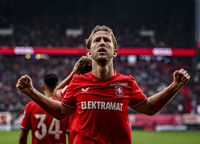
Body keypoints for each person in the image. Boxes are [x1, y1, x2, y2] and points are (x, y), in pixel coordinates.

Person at [16, 25, 190, 144]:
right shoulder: (77, 82)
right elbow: (61, 112)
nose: (101, 43)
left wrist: (175, 86)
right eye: (97, 40)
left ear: (115, 51)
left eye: (106, 40)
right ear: (88, 52)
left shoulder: (127, 83)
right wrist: (31, 92)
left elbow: (150, 107)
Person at [19, 74, 69, 144]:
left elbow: (22, 137)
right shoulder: (65, 107)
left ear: (43, 87)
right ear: (58, 87)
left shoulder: (30, 106)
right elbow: (71, 136)